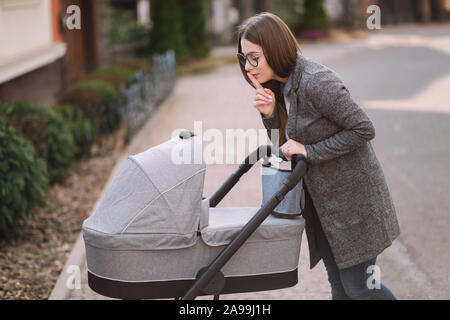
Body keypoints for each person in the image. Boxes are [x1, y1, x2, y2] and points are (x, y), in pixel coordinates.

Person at [236, 12, 400, 300]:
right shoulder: (279, 87)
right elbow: (284, 148)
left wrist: (310, 151)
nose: (248, 67)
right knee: (339, 287)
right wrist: (270, 115)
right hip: (323, 207)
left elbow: (363, 129)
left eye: (254, 57)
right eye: (243, 58)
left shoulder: (316, 80)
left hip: (354, 205)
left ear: (274, 48)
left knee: (359, 287)